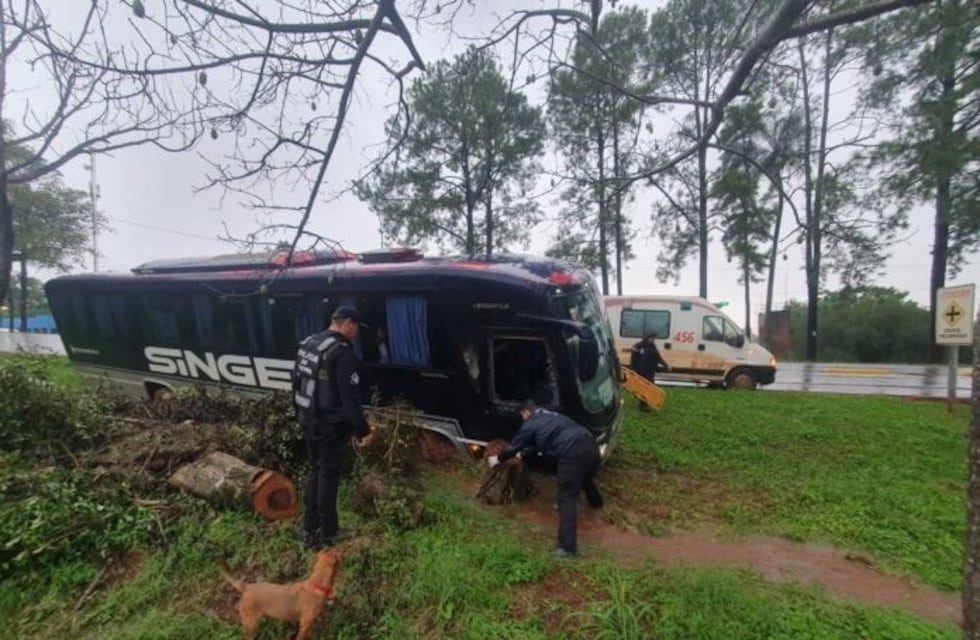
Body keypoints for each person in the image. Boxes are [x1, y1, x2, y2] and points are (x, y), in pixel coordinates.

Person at [293, 305, 374, 549]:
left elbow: (295, 383)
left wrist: (300, 415)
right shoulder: (342, 353)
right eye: (357, 327)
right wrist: (363, 431)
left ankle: (309, 528)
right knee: (328, 475)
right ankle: (327, 532)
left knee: (315, 472)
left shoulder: (310, 344)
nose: (357, 333)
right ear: (348, 322)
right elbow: (349, 399)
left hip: (308, 420)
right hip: (330, 425)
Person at [490, 400, 603, 558]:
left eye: (522, 417)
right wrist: (522, 454)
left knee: (567, 497)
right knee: (584, 477)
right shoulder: (553, 416)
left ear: (526, 413)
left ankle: (567, 548)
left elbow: (514, 446)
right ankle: (596, 502)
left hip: (571, 453)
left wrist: (497, 459)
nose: (523, 420)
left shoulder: (531, 422)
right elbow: (544, 440)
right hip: (591, 446)